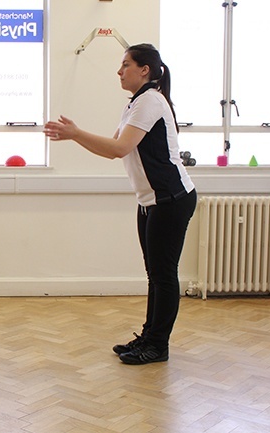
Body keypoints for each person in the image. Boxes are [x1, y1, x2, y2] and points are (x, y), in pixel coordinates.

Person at [44, 43, 196, 365]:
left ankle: (158, 345)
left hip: (171, 200)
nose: (119, 71)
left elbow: (118, 149)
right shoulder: (136, 103)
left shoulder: (150, 101)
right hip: (151, 201)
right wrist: (75, 135)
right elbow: (114, 147)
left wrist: (75, 133)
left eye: (125, 65)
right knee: (154, 274)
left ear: (145, 70)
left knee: (163, 274)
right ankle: (148, 337)